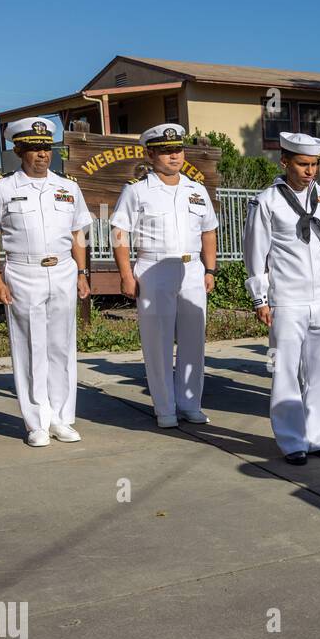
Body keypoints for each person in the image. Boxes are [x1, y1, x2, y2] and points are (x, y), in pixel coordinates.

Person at [0, 117, 92, 446]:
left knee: (62, 346)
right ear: (19, 150)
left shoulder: (68, 188)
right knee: (30, 348)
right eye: (34, 149)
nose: (42, 154)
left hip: (64, 271)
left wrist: (82, 274)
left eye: (45, 148)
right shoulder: (2, 188)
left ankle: (61, 417)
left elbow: (77, 234)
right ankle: (37, 422)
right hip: (23, 272)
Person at [241, 133, 320, 465]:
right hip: (286, 298)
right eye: (303, 164)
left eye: (314, 164)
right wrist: (260, 299)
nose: (310, 171)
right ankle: (292, 442)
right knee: (285, 370)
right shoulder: (267, 201)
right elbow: (255, 251)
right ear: (285, 161)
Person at [109, 123, 218, 427]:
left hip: (192, 269)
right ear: (151, 153)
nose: (174, 156)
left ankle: (190, 403)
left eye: (178, 150)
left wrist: (210, 269)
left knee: (194, 339)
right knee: (157, 342)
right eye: (166, 151)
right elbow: (120, 233)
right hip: (153, 269)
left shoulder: (196, 190)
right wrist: (126, 274)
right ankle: (165, 408)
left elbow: (209, 231)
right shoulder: (137, 190)